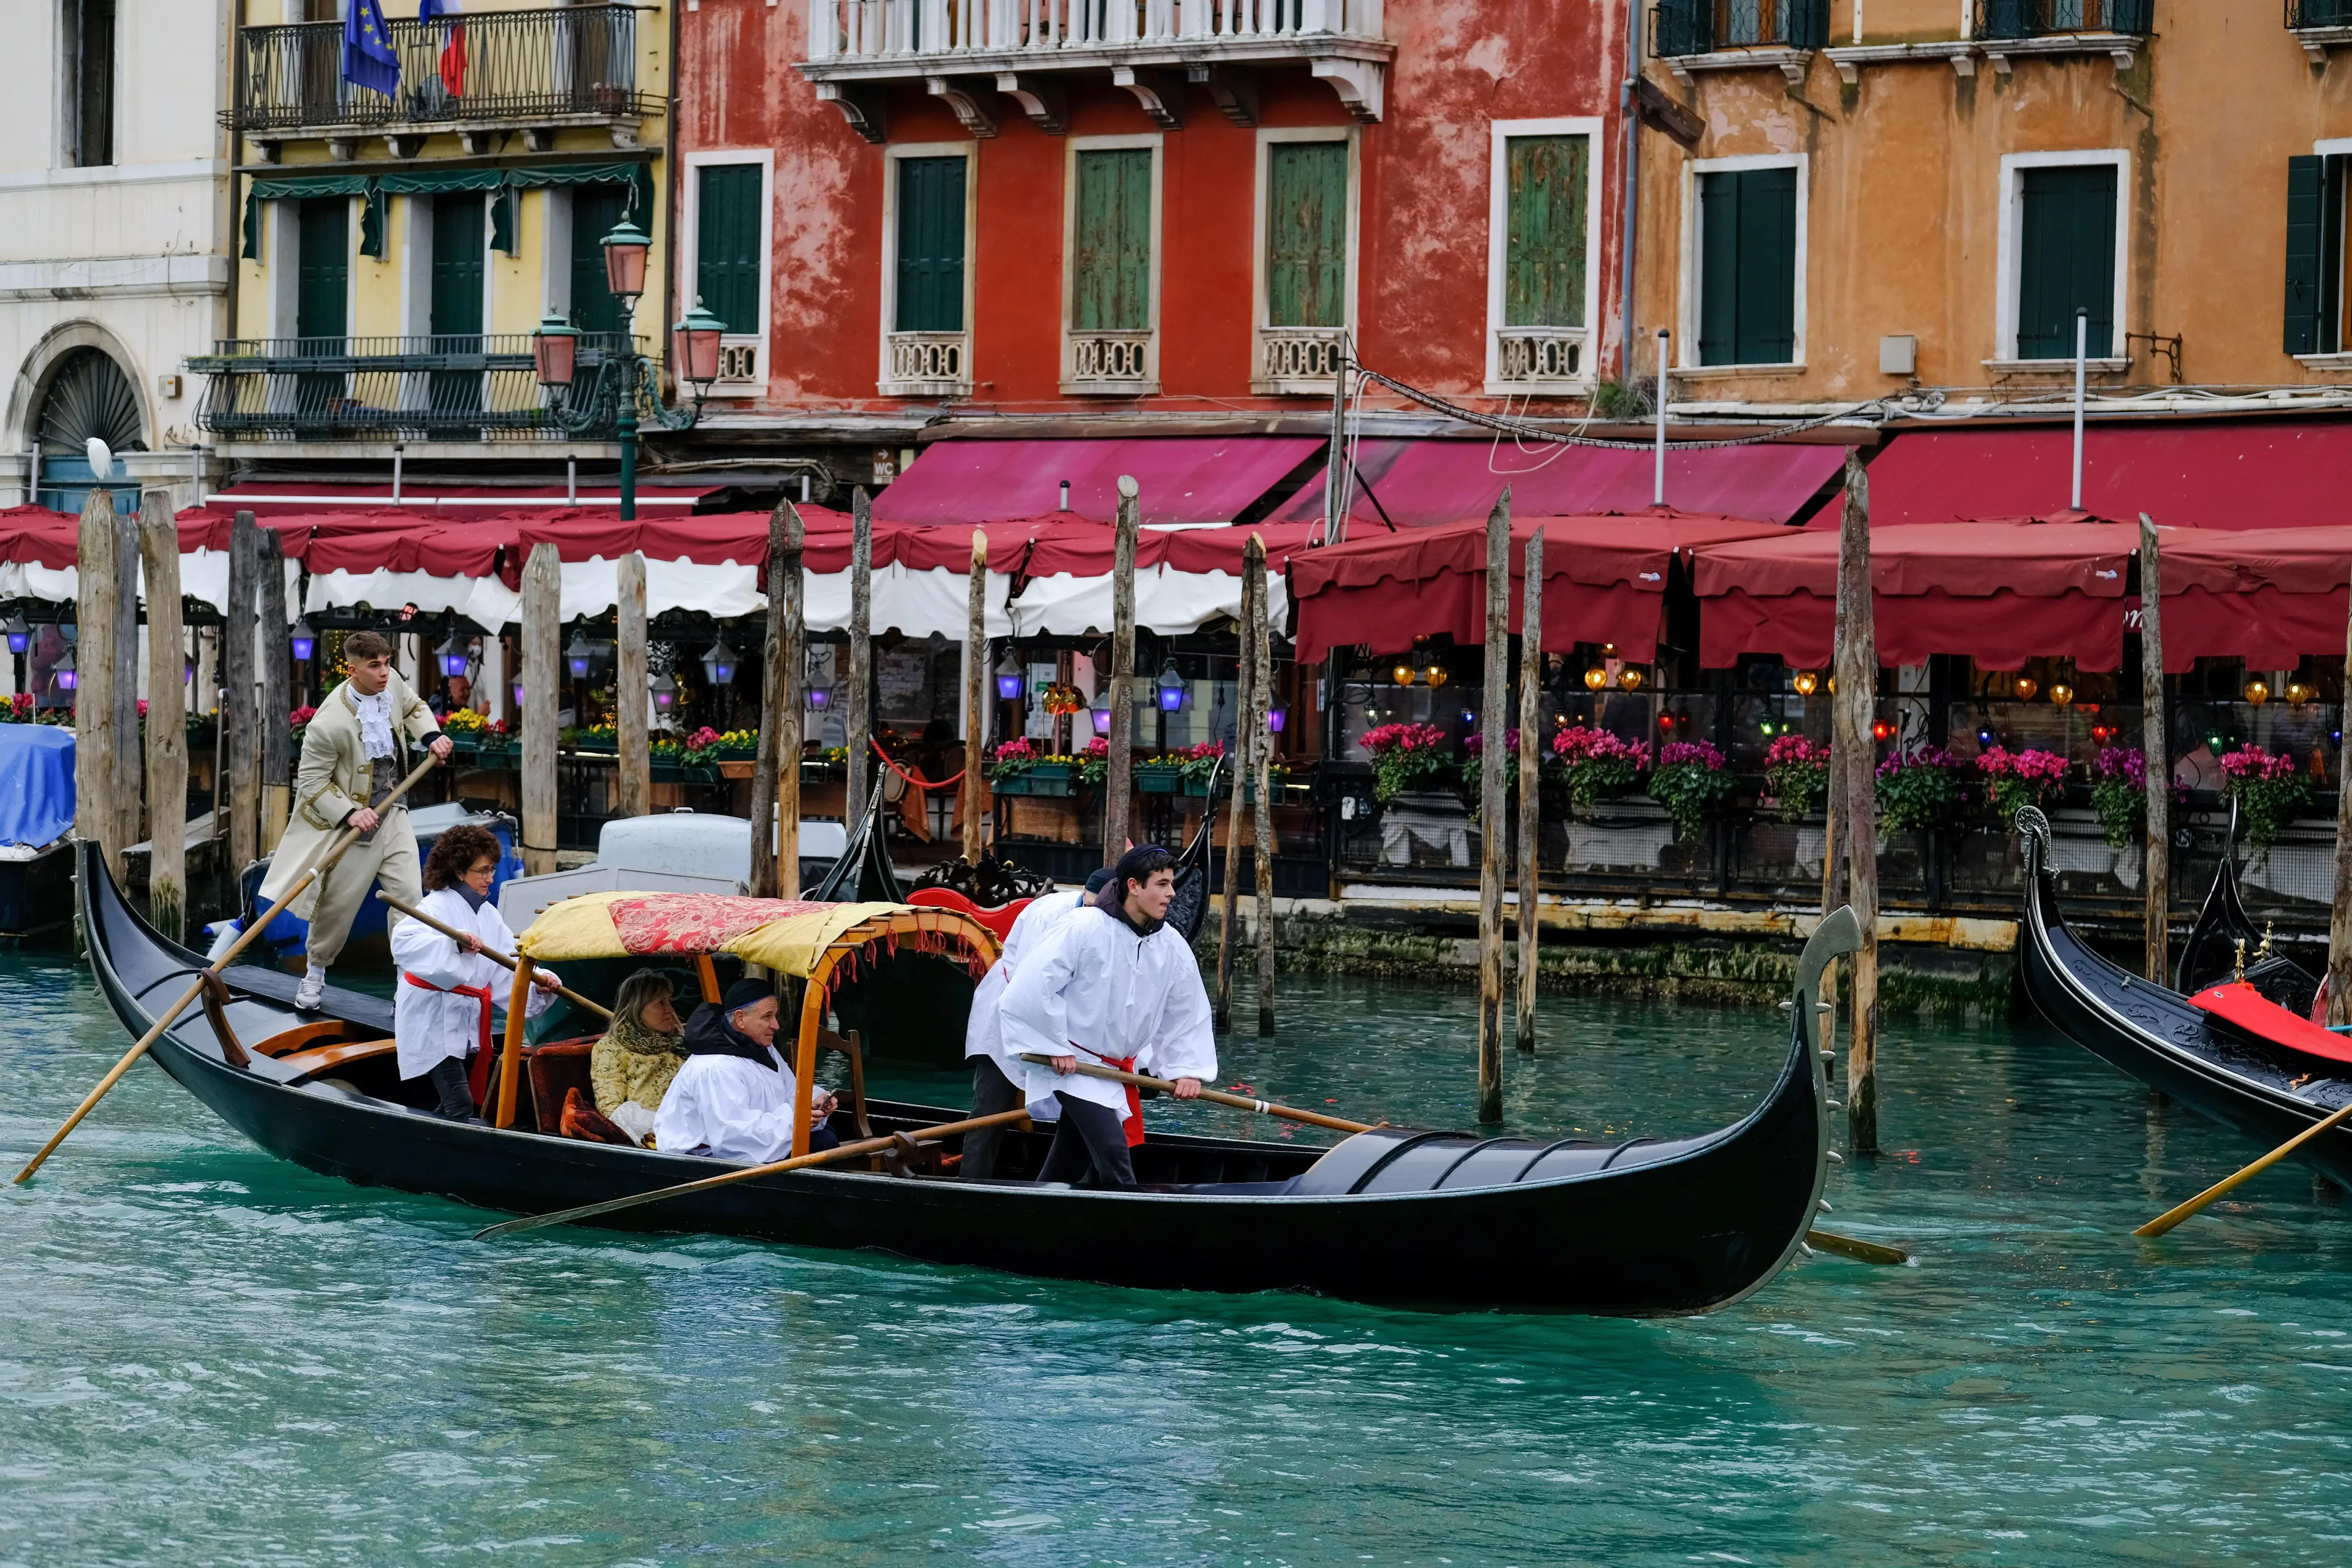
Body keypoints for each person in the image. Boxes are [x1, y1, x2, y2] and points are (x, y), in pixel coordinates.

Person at [1000, 845, 1217, 1189]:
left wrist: (1186, 1069)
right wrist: (1052, 1045)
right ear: (1134, 886)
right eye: (1162, 884)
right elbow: (1031, 987)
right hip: (1073, 1064)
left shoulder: (1171, 944)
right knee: (1114, 1151)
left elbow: (1186, 1010)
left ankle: (1035, 1215)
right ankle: (1133, 1227)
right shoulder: (1082, 927)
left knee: (1069, 1161)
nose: (1172, 894)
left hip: (1113, 1068)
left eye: (1171, 884)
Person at [260, 629, 451, 1011]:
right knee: (337, 908)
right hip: (356, 827)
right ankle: (315, 975)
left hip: (394, 813)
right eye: (374, 666)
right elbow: (312, 782)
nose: (385, 673)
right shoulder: (327, 724)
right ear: (353, 670)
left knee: (410, 900)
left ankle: (406, 986)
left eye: (387, 663)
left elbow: (413, 708)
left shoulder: (393, 683)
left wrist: (431, 735)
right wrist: (350, 812)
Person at [388, 824, 559, 1121]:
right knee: (460, 1105)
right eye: (482, 871)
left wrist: (538, 982)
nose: (490, 878)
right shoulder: (433, 907)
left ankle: (421, 1146)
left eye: (492, 869)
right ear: (459, 871)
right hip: (432, 1019)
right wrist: (454, 945)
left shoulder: (489, 915)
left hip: (467, 1018)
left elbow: (509, 964)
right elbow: (403, 943)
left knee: (453, 1104)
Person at [957, 868, 1113, 1179]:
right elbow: (1030, 986)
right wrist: (1051, 1044)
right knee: (990, 1111)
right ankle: (970, 1183)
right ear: (1084, 891)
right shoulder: (1049, 915)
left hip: (1064, 1033)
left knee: (1080, 1112)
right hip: (1004, 1018)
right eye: (1091, 907)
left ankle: (1069, 1183)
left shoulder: (1111, 923)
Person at [654, 979, 843, 1161]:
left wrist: (812, 1101)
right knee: (824, 1142)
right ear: (740, 1018)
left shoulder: (762, 1047)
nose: (776, 1025)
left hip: (754, 1140)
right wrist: (796, 1122)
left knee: (828, 1133)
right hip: (708, 1157)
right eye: (767, 1016)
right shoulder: (716, 1066)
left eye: (775, 1016)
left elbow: (789, 1091)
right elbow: (733, 1136)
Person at [591, 971, 690, 1147]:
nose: (670, 1010)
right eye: (661, 1003)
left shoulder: (682, 1043)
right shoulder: (610, 1048)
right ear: (637, 1008)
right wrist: (665, 1127)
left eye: (669, 1001)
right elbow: (611, 1107)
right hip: (651, 1139)